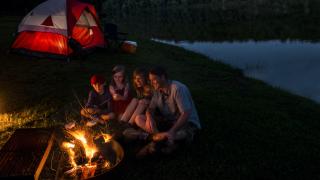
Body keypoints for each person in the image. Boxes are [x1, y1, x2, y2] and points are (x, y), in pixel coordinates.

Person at [136, 66, 201, 157]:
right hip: (169, 121)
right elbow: (150, 108)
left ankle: (158, 140)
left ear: (163, 77)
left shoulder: (178, 88)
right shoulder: (157, 90)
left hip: (185, 124)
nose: (151, 83)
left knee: (181, 134)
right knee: (139, 118)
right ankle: (162, 138)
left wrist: (172, 131)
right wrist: (149, 117)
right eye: (150, 80)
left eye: (154, 79)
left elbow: (186, 114)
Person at [120, 68, 155, 133]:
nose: (137, 81)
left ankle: (130, 124)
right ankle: (123, 121)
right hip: (141, 109)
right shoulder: (139, 89)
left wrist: (147, 102)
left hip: (151, 111)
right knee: (135, 100)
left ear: (145, 78)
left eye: (139, 78)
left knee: (143, 101)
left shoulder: (151, 89)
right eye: (135, 79)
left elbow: (156, 103)